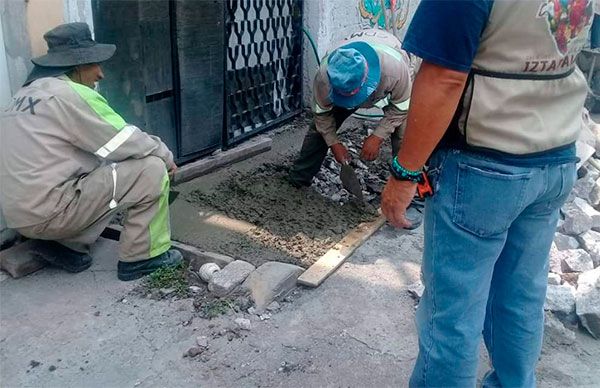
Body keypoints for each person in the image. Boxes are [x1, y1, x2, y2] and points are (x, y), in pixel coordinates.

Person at [380, 1, 594, 387]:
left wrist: (404, 172)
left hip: (485, 164)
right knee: (519, 297)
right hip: (556, 158)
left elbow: (444, 77)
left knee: (453, 314)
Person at [0, 22, 183, 281]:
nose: (101, 74)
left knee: (93, 169)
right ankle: (144, 258)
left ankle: (66, 246)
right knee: (150, 169)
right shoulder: (69, 94)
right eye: (95, 64)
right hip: (51, 214)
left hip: (21, 219)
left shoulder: (23, 95)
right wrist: (166, 157)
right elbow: (125, 140)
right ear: (77, 65)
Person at [288, 29, 412, 186]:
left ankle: (404, 187)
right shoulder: (325, 77)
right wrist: (333, 143)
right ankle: (298, 179)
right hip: (347, 84)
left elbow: (401, 107)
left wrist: (377, 136)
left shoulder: (395, 71)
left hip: (391, 70)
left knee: (405, 134)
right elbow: (322, 114)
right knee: (319, 129)